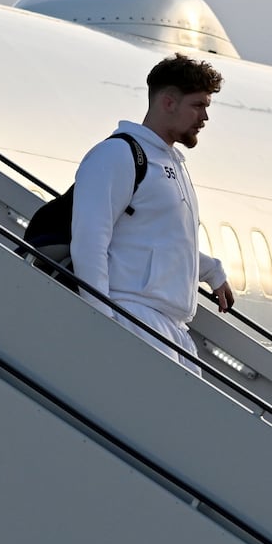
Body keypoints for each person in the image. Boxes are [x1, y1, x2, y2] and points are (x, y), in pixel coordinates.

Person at [70, 53, 235, 373]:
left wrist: (212, 271)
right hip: (134, 316)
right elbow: (90, 239)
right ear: (169, 102)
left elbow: (165, 240)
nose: (204, 117)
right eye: (198, 105)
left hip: (172, 328)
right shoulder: (117, 154)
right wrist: (100, 319)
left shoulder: (171, 164)